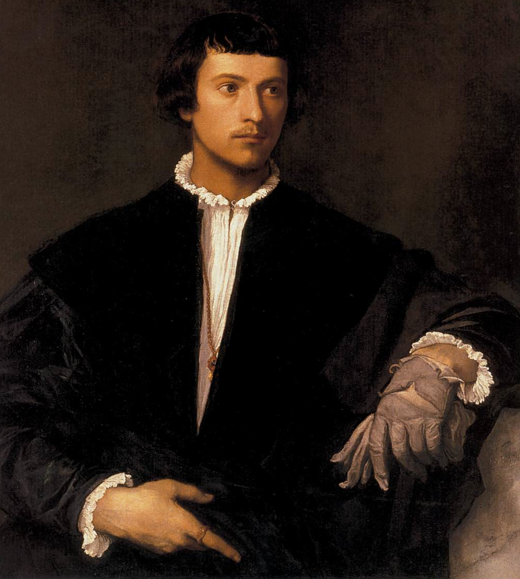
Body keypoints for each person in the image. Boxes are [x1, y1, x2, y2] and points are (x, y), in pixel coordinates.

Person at [0, 11, 519, 579]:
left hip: (283, 553)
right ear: (186, 102)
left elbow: (486, 315)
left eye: (272, 90)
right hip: (104, 555)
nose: (255, 113)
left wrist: (434, 368)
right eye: (230, 88)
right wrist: (103, 504)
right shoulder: (94, 252)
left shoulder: (344, 249)